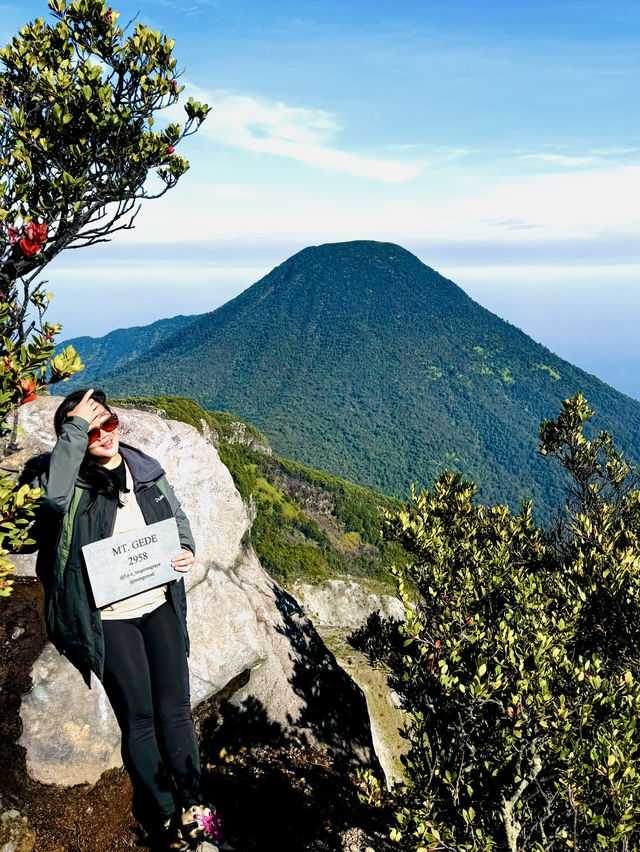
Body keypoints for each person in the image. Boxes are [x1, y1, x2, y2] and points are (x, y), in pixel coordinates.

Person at [21, 388, 233, 851]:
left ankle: (196, 809)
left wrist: (185, 551)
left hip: (158, 603)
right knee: (138, 717)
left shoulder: (145, 471)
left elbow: (176, 517)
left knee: (176, 709)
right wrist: (73, 427)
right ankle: (163, 821)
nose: (103, 437)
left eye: (108, 425)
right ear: (74, 439)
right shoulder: (68, 484)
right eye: (90, 432)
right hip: (109, 617)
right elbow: (52, 500)